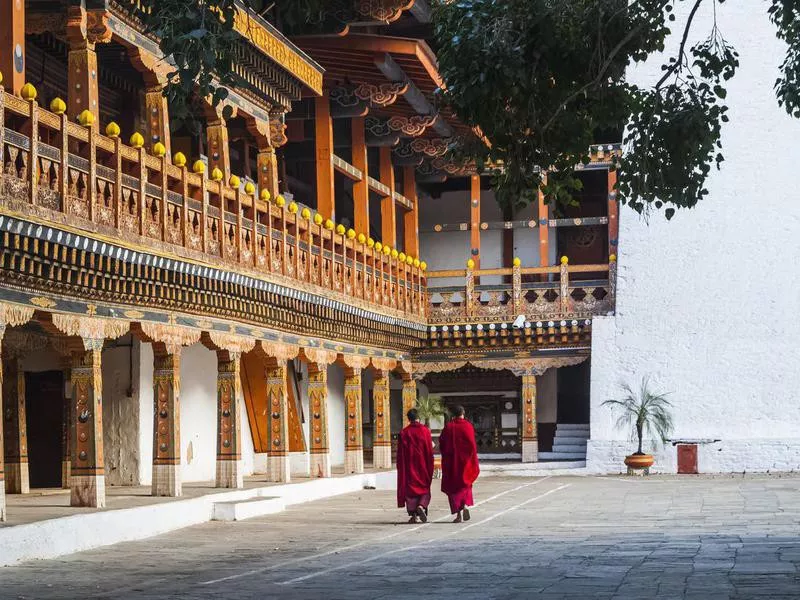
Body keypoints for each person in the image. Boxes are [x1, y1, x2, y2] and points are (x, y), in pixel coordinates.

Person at [438, 405, 479, 523]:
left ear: (453, 415)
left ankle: (458, 515)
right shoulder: (468, 426)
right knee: (465, 484)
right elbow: (472, 445)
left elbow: (442, 444)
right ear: (463, 413)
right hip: (465, 463)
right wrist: (470, 459)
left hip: (452, 464)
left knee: (453, 488)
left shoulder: (448, 427)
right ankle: (465, 505)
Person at [396, 408, 434, 523]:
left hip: (409, 467)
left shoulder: (404, 433)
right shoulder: (425, 431)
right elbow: (429, 450)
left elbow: (400, 454)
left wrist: (401, 467)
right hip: (423, 466)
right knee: (424, 488)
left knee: (411, 491)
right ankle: (421, 506)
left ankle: (414, 516)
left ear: (408, 419)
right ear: (419, 417)